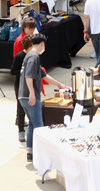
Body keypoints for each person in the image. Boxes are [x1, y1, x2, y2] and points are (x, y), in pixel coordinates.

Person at [18, 34, 66, 162]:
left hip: (22, 96)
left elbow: (44, 75)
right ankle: (42, 154)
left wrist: (59, 85)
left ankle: (30, 151)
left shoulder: (30, 56)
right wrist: (32, 93)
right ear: (42, 44)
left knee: (33, 124)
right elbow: (29, 76)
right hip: (29, 96)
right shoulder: (34, 57)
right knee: (39, 125)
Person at [11, 33, 35, 143]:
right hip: (20, 85)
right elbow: (12, 71)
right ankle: (21, 131)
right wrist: (23, 72)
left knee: (31, 107)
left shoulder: (34, 56)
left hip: (31, 85)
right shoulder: (20, 56)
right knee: (21, 109)